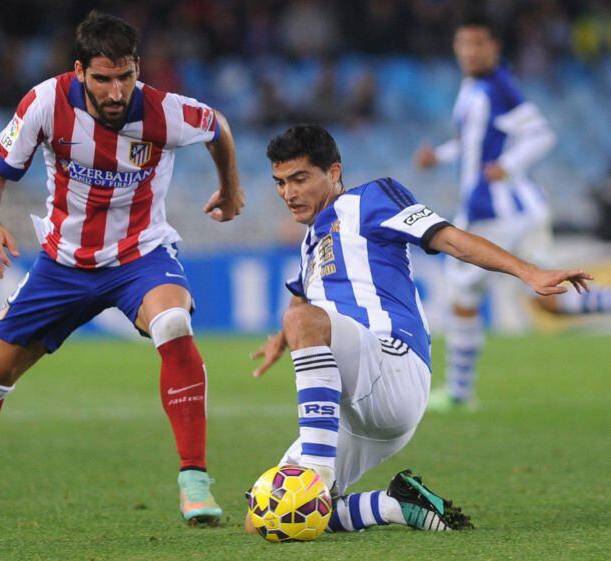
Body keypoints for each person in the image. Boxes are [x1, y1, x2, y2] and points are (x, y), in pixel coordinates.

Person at [0, 11, 243, 525]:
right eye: (102, 78)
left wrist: (231, 186)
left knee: (172, 322)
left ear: (137, 68)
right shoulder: (44, 103)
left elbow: (219, 127)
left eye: (124, 76)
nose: (115, 90)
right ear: (80, 71)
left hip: (139, 255)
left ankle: (194, 479)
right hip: (62, 265)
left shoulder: (166, 112)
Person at [246, 124, 590, 533]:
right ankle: (392, 505)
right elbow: (300, 299)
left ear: (334, 172)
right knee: (265, 517)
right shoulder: (309, 244)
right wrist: (281, 340)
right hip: (358, 413)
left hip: (394, 364)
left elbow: (450, 239)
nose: (288, 193)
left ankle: (317, 476)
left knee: (301, 325)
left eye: (299, 178)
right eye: (280, 183)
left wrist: (528, 271)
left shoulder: (370, 199)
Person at [413, 13, 611, 410]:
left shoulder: (499, 86)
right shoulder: (473, 87)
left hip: (496, 213)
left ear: (494, 48)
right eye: (463, 44)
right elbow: (474, 142)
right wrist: (441, 154)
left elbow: (541, 134)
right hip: (522, 209)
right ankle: (459, 392)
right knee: (548, 299)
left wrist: (511, 165)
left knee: (461, 295)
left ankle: (458, 393)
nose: (470, 52)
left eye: (478, 45)